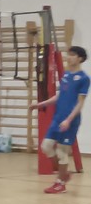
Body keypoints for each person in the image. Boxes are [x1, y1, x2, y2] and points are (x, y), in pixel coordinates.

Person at [28, 45, 89, 194]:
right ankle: (64, 174)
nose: (69, 57)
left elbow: (80, 103)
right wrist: (40, 104)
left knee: (62, 151)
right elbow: (59, 96)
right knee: (46, 146)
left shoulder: (84, 79)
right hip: (58, 118)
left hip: (70, 121)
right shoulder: (66, 75)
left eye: (73, 55)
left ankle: (60, 183)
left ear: (80, 58)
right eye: (68, 54)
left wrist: (68, 120)